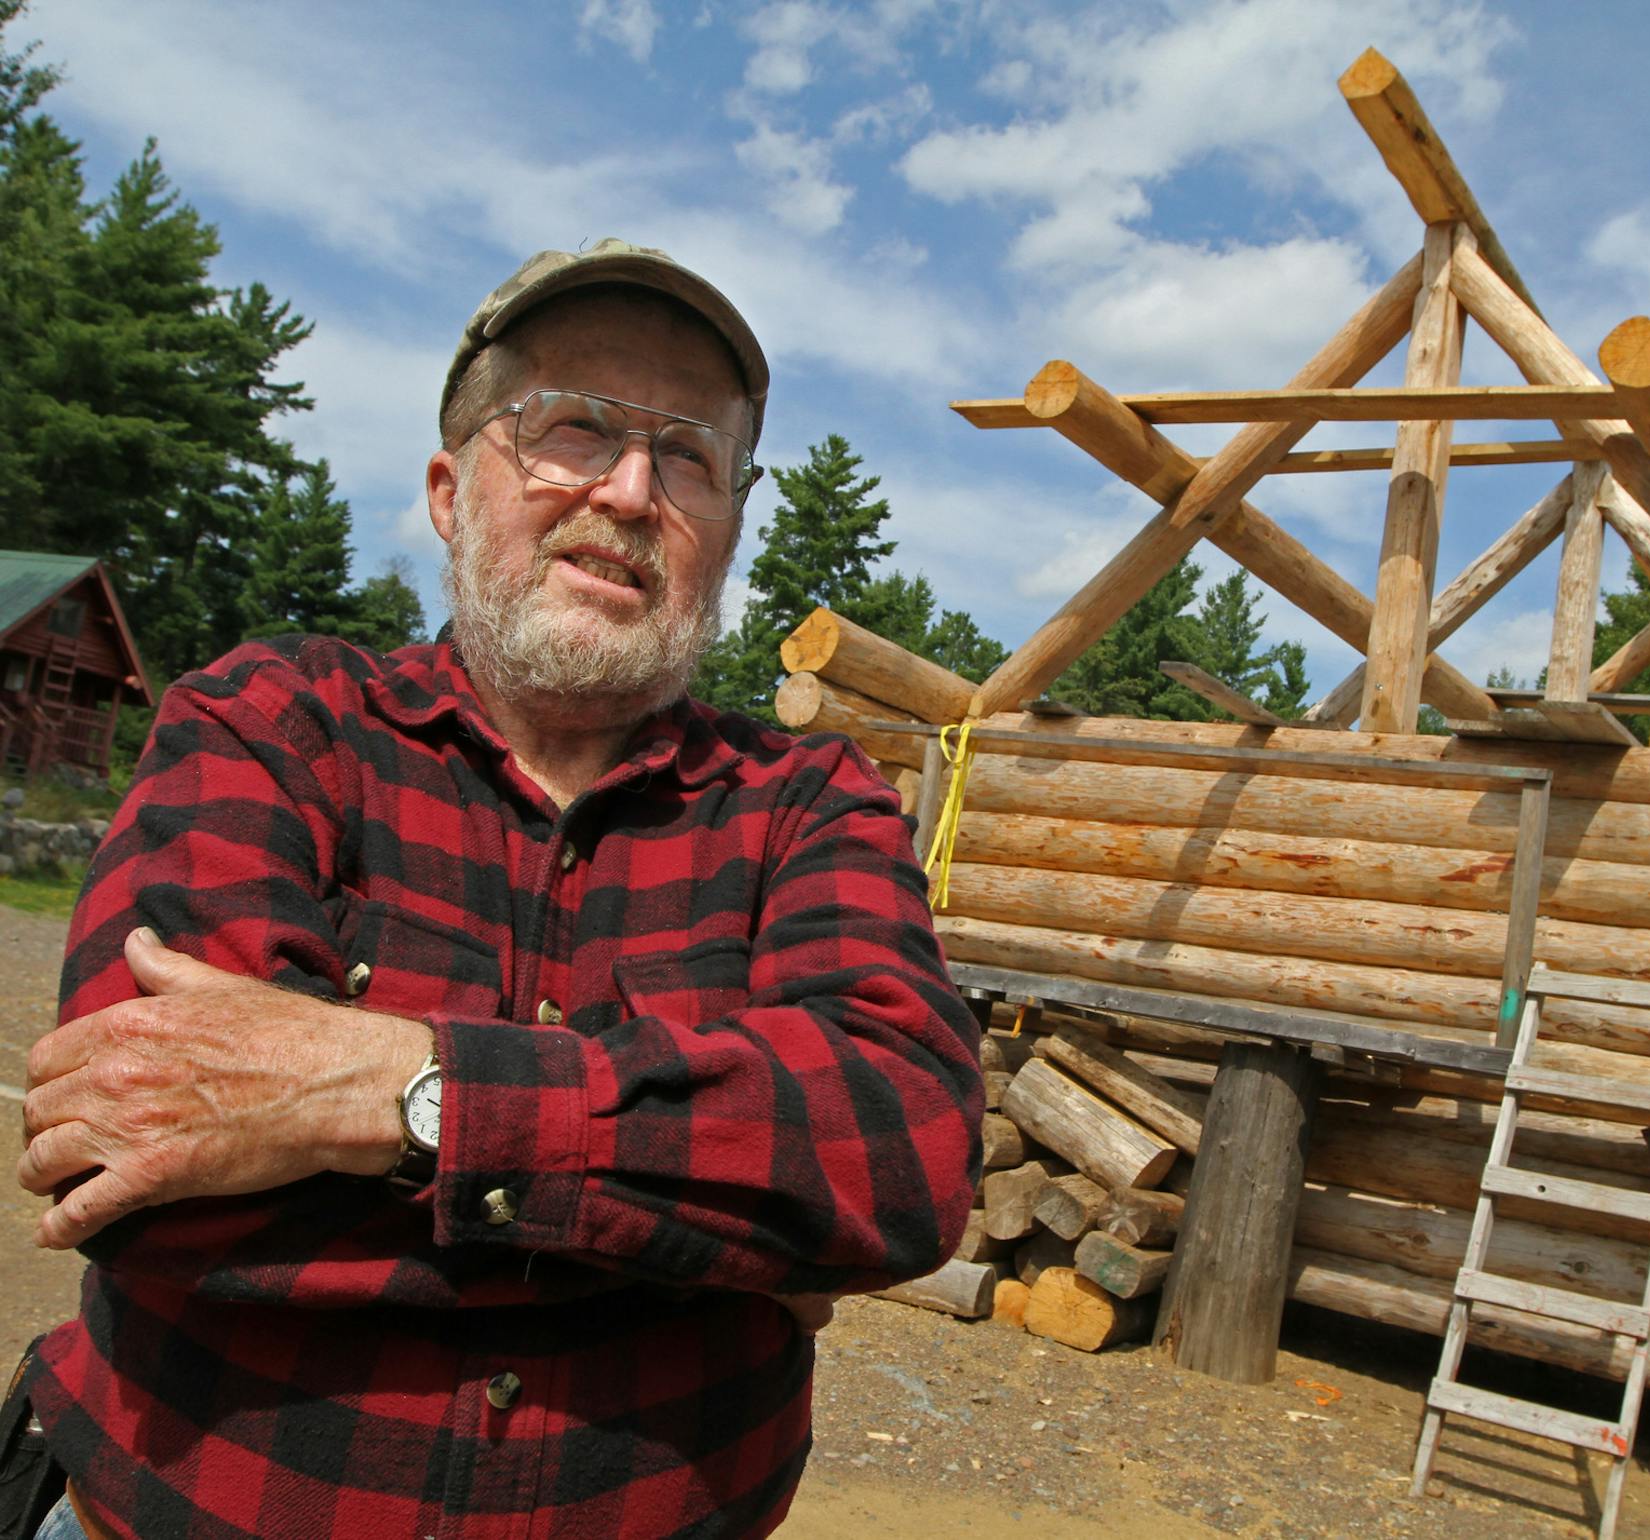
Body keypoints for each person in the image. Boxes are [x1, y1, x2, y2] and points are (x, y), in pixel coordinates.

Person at [14, 240, 984, 1539]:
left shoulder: (810, 802)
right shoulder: (271, 721)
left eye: (690, 455)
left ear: (731, 524)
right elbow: (151, 1180)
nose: (633, 491)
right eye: (573, 430)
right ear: (445, 490)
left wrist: (384, 1092)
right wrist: (727, 1237)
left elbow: (903, 1155)